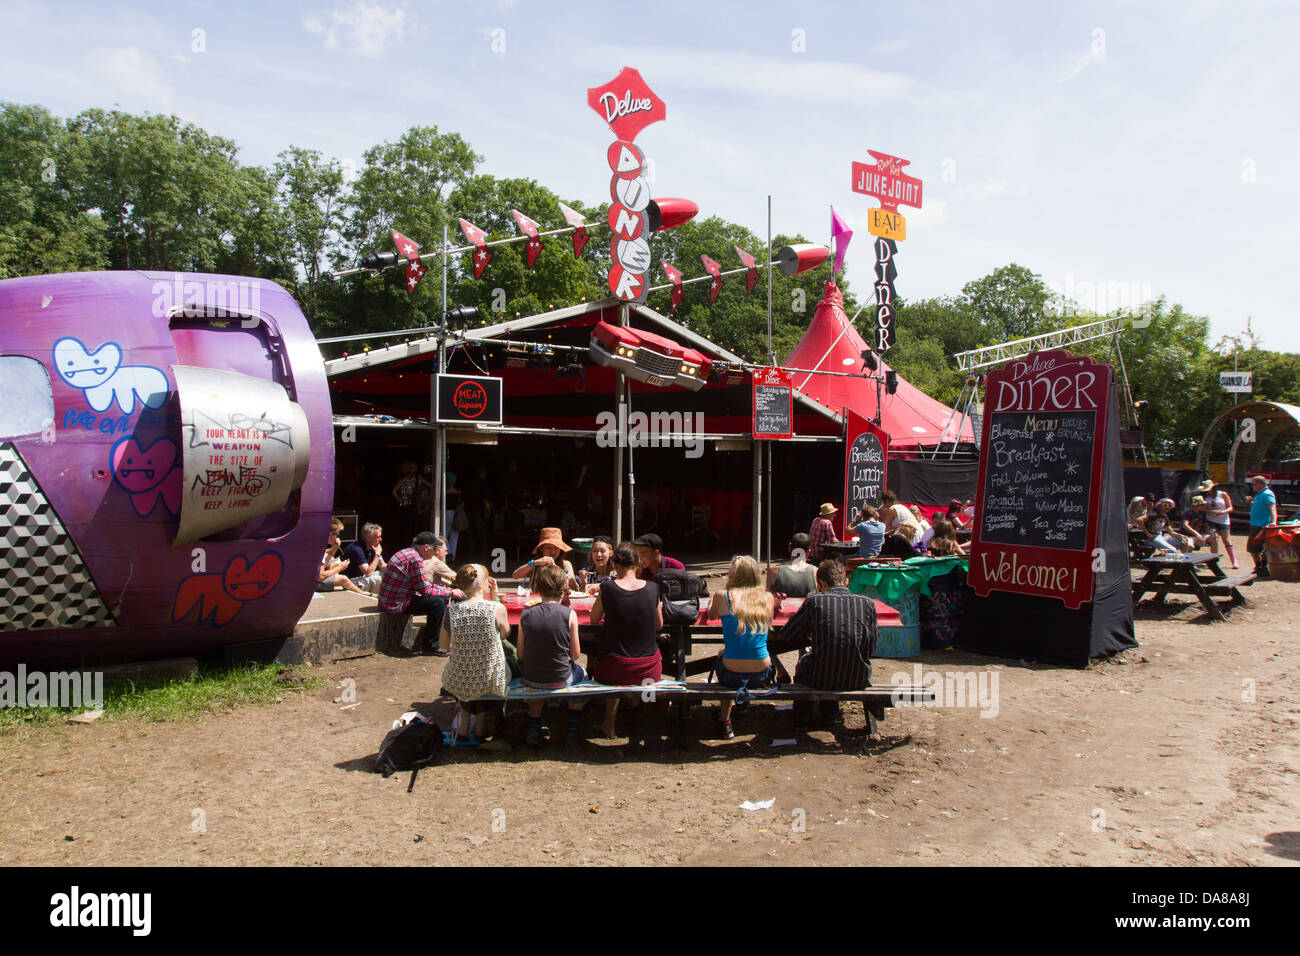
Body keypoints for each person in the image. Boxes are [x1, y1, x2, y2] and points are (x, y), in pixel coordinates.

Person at [780, 560, 877, 727]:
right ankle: (830, 711)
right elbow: (871, 646)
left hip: (821, 677)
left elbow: (789, 634)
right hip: (857, 677)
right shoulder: (867, 603)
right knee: (831, 658)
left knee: (806, 662)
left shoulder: (815, 602)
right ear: (846, 581)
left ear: (822, 583)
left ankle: (803, 714)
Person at [588, 542, 664, 739]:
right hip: (648, 669)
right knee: (628, 656)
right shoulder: (653, 588)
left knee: (611, 656)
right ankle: (638, 708)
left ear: (615, 565)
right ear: (637, 564)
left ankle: (609, 724)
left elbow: (594, 619)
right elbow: (659, 625)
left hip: (614, 668)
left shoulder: (608, 588)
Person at [705, 555, 778, 740]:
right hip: (762, 673)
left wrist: (712, 604)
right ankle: (742, 704)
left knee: (725, 654)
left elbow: (712, 616)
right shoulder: (767, 599)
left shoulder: (723, 596)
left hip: (731, 672)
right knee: (740, 651)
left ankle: (725, 720)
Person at [439, 564, 511, 746]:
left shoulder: (451, 612)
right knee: (488, 670)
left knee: (468, 671)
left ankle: (464, 727)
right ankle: (480, 727)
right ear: (483, 584)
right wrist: (495, 599)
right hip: (491, 678)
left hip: (459, 678)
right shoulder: (496, 608)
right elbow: (504, 634)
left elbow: (443, 645)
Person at [517, 565, 586, 747]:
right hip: (559, 678)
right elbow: (576, 655)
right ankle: (572, 728)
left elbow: (520, 653)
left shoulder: (526, 613)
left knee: (537, 677)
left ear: (538, 588)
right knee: (584, 675)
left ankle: (535, 726)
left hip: (531, 677)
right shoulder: (569, 614)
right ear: (564, 589)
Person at [378, 531, 466, 654]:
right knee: (438, 603)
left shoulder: (406, 552)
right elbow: (425, 590)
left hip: (390, 599)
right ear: (426, 548)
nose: (436, 552)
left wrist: (445, 591)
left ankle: (437, 639)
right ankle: (431, 646)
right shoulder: (415, 559)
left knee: (440, 597)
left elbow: (420, 585)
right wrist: (450, 592)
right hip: (396, 604)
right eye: (435, 548)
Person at [513, 527, 579, 591]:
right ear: (541, 548)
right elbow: (515, 575)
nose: (553, 552)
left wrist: (571, 581)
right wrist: (534, 563)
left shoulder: (565, 564)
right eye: (549, 548)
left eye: (556, 548)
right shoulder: (536, 565)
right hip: (538, 600)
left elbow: (573, 585)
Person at [318, 519, 367, 594]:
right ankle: (363, 593)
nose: (338, 537)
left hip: (305, 581)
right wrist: (339, 568)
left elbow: (326, 559)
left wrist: (335, 547)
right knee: (343, 579)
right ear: (329, 535)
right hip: (309, 585)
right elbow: (320, 576)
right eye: (337, 534)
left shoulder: (318, 544)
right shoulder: (319, 549)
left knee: (332, 561)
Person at [1200, 479, 1238, 568]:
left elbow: (1230, 507)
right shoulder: (1205, 497)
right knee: (1214, 538)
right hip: (1211, 520)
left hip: (1223, 520)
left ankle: (1234, 560)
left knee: (1226, 540)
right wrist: (1209, 511)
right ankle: (1214, 561)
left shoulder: (1222, 494)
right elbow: (1202, 509)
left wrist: (1222, 512)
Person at [1246, 474, 1278, 576]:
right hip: (1255, 524)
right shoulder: (1259, 494)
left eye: (1254, 484)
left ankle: (1260, 567)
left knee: (1253, 547)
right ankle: (1260, 567)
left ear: (1260, 484)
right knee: (1257, 548)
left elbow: (1272, 508)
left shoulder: (1267, 494)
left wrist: (1273, 522)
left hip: (1261, 525)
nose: (1253, 486)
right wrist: (1251, 502)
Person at [342, 522, 386, 593]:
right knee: (377, 579)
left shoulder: (372, 546)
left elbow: (383, 566)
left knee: (386, 575)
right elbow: (368, 573)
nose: (381, 539)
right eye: (378, 537)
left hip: (361, 578)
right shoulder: (356, 549)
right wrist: (377, 555)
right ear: (368, 538)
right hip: (350, 581)